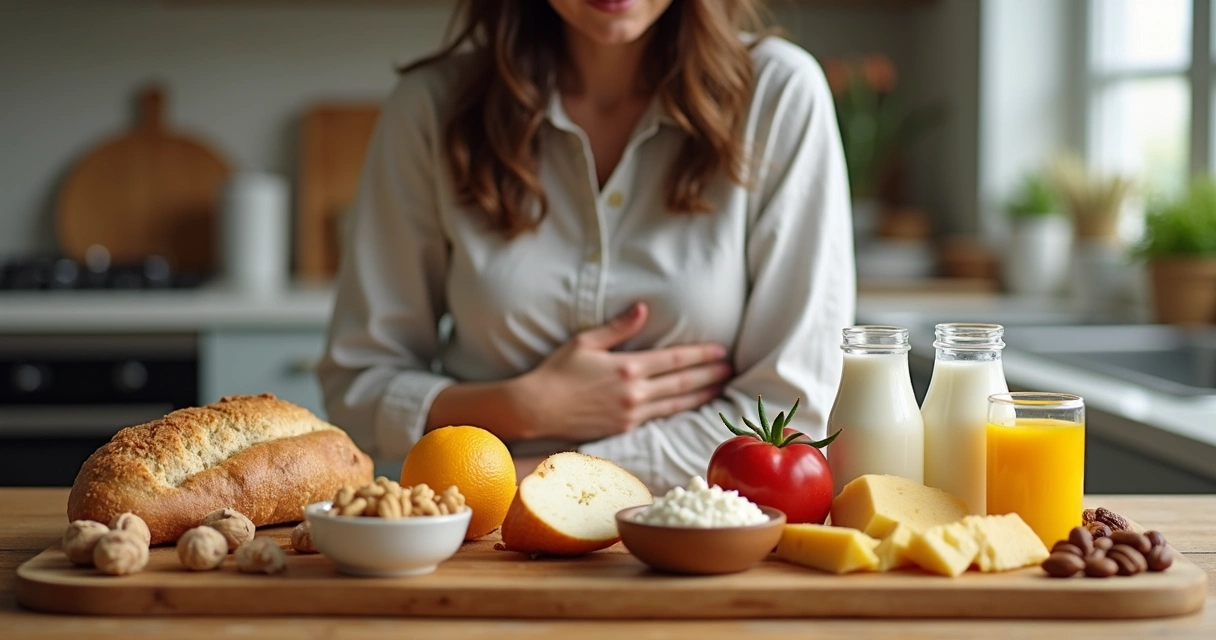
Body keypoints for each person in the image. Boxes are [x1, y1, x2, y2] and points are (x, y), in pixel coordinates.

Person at [318, 0, 855, 493]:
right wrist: (520, 408)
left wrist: (533, 477)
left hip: (681, 530)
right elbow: (357, 388)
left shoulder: (780, 96)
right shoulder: (430, 108)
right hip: (484, 538)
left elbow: (791, 413)